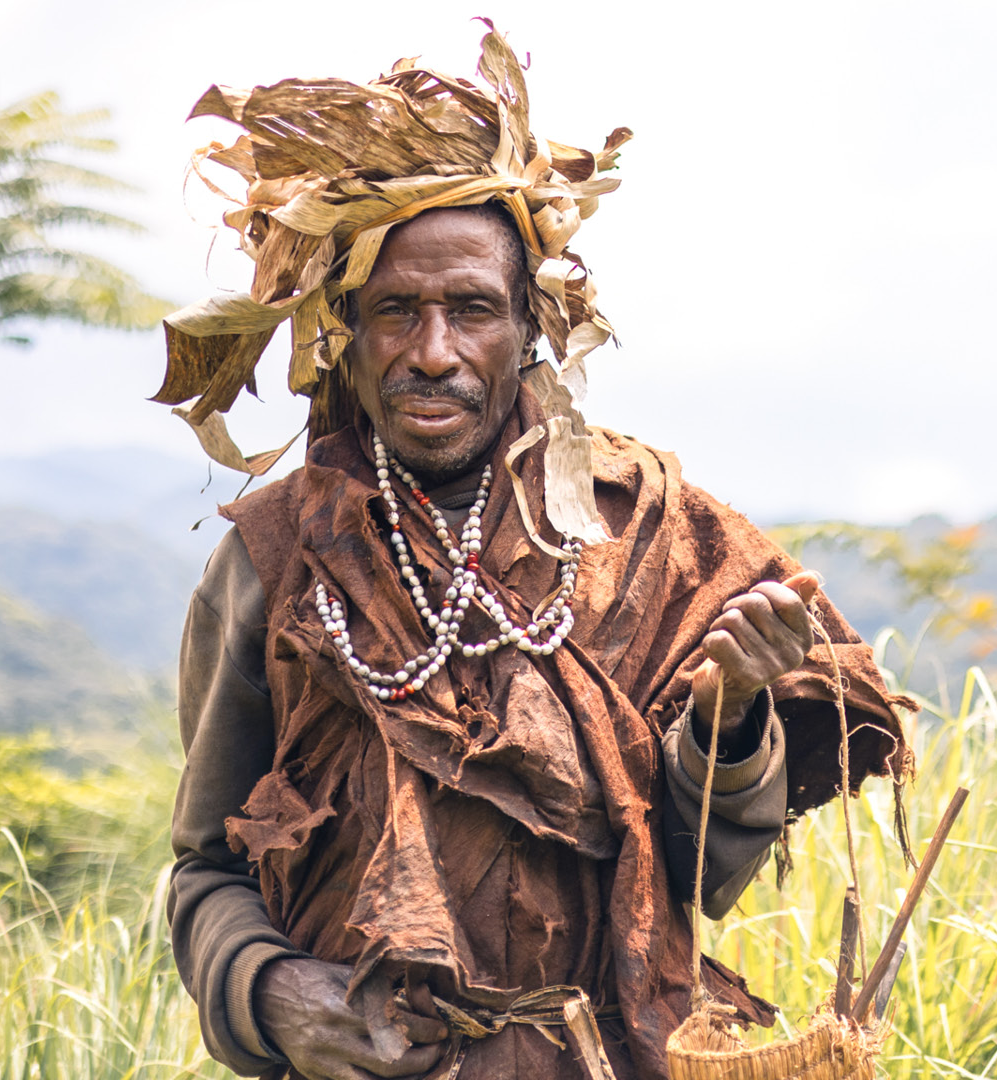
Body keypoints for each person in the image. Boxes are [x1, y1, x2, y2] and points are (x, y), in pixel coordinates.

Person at [160, 28, 912, 1080]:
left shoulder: (653, 543)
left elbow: (697, 878)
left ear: (529, 326)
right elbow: (203, 869)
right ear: (344, 330)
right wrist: (275, 996)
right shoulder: (272, 565)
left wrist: (729, 713)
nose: (434, 352)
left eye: (471, 310)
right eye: (394, 313)